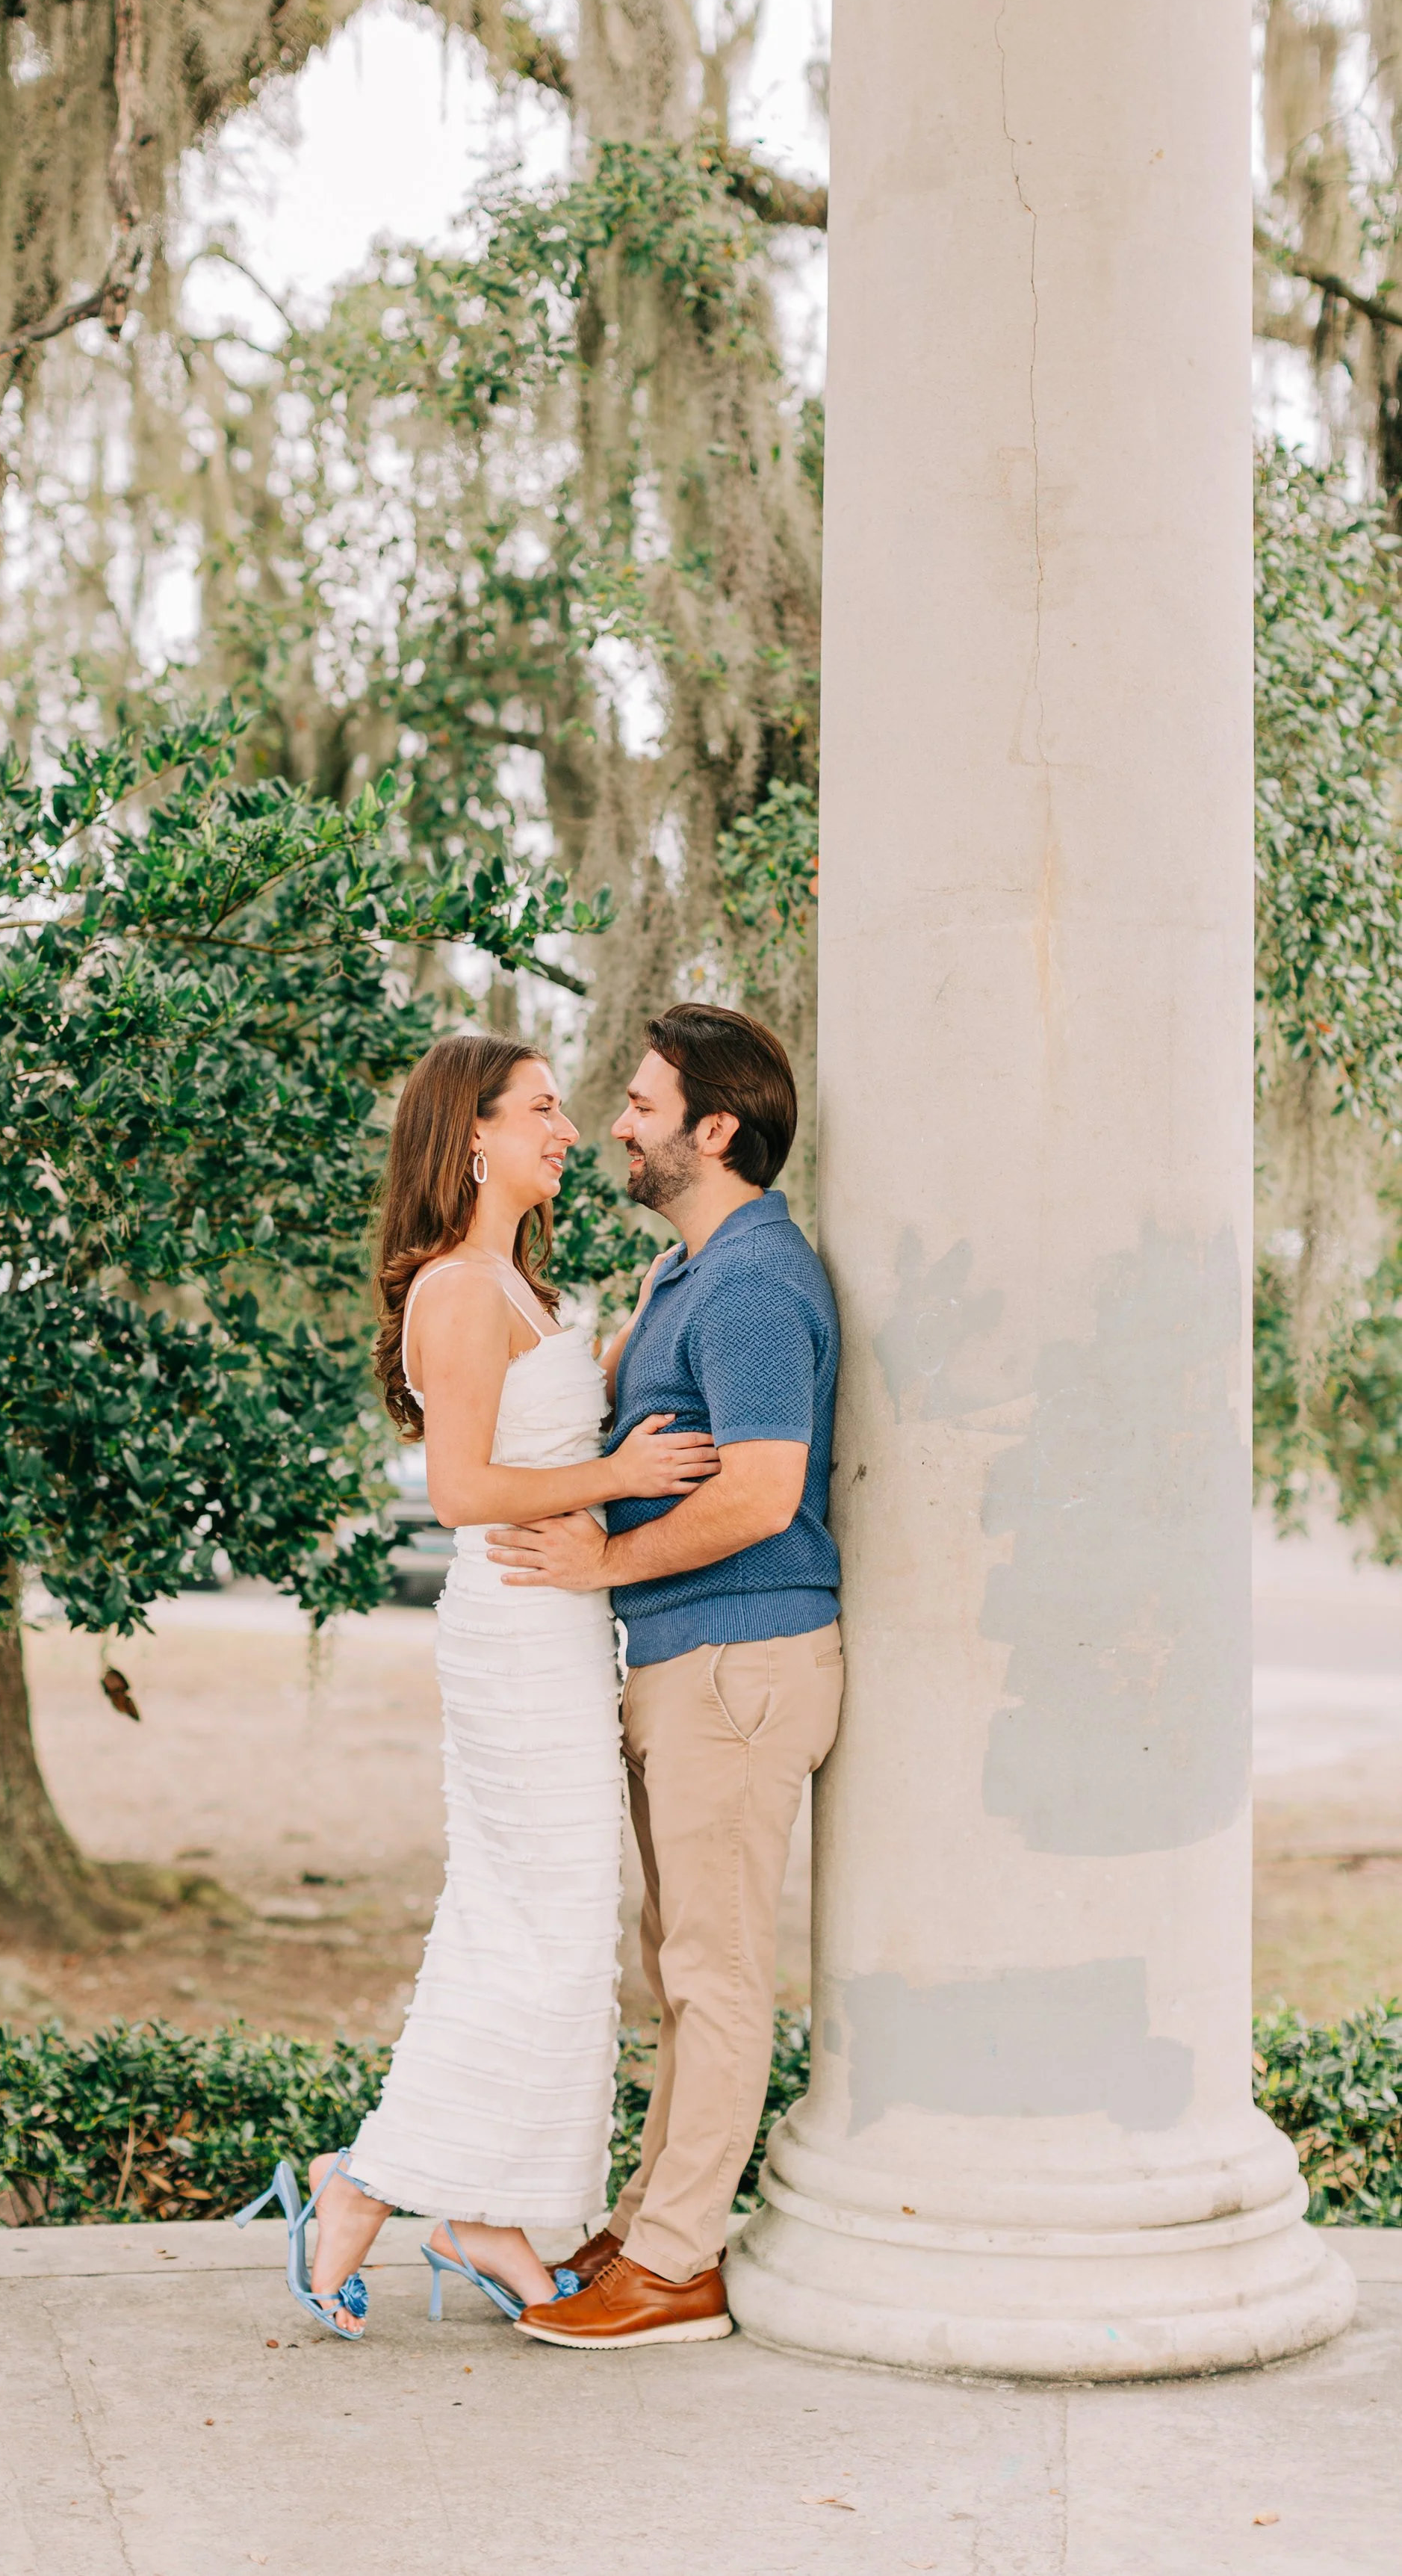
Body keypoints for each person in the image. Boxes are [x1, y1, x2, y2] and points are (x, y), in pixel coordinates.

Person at [237, 1032, 720, 2338]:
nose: (569, 1131)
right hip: (513, 1633)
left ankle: (487, 2210)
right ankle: (372, 2183)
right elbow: (461, 1493)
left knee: (550, 1929)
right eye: (544, 1110)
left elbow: (537, 1430)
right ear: (473, 1137)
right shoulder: (455, 1289)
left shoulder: (521, 1283)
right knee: (537, 1922)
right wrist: (619, 1481)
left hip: (565, 1631)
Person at [487, 1002, 843, 2351]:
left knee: (717, 1972)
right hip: (693, 1667)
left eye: (640, 1105)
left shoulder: (753, 1278)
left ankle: (682, 2261)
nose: (615, 1124)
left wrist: (598, 1566)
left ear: (716, 1130)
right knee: (679, 1966)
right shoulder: (688, 1277)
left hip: (743, 1664)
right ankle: (647, 2228)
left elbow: (761, 1491)